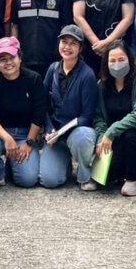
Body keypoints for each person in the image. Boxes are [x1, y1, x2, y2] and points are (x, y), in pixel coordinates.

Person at [0, 37, 47, 187]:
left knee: (28, 180)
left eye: (12, 57)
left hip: (25, 136)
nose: (8, 62)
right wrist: (7, 138)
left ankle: (11, 164)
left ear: (20, 57)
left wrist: (29, 142)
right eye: (2, 59)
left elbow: (39, 113)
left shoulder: (34, 79)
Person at [93, 41, 136, 196]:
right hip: (113, 141)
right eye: (112, 60)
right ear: (106, 63)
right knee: (103, 180)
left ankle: (134, 178)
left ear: (130, 59)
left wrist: (111, 132)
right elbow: (99, 117)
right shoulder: (102, 85)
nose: (117, 65)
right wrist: (101, 138)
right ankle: (120, 171)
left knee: (130, 135)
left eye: (121, 59)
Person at [39, 26, 97, 190]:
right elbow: (41, 105)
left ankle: (84, 174)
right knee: (49, 180)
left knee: (82, 137)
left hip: (77, 132)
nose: (67, 47)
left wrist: (63, 131)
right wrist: (49, 129)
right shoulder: (52, 69)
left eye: (73, 43)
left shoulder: (87, 75)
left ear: (80, 48)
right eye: (64, 42)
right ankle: (64, 164)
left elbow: (88, 116)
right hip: (56, 136)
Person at [11, 0, 65, 79]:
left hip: (52, 60)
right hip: (25, 59)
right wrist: (15, 52)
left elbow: (64, 27)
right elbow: (15, 27)